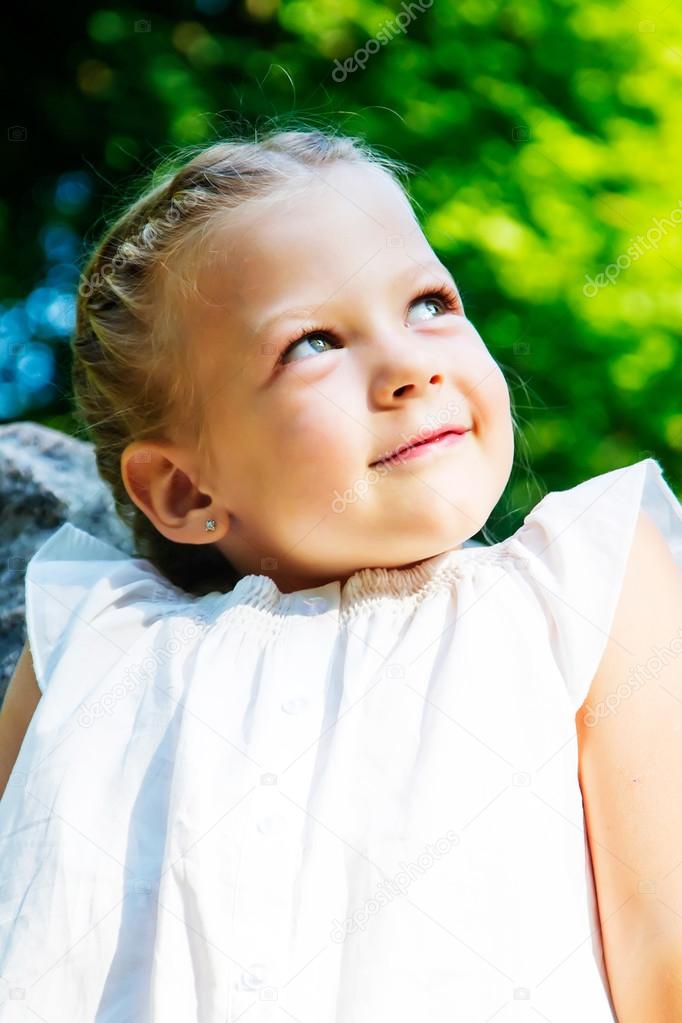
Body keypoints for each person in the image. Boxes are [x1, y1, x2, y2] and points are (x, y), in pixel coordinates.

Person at [0, 126, 681, 1022]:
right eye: (313, 342)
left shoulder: (584, 580)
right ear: (182, 485)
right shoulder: (92, 639)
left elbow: (663, 950)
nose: (410, 364)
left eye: (430, 302)